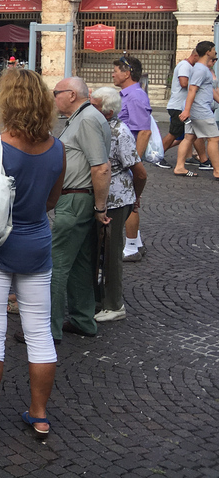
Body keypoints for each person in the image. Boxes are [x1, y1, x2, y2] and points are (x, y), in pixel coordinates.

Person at [0, 69, 65, 440]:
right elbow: (52, 199)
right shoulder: (57, 148)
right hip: (37, 242)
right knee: (39, 333)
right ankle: (39, 414)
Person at [50, 77, 111, 342]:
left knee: (56, 264)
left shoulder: (86, 119)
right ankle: (83, 320)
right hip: (80, 199)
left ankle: (47, 329)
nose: (54, 98)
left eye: (56, 93)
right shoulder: (84, 117)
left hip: (75, 200)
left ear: (72, 94)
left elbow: (101, 167)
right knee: (81, 264)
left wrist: (100, 207)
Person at [91, 87, 147, 322]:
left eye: (93, 105)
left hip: (117, 199)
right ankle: (98, 299)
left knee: (112, 253)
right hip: (105, 197)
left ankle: (114, 305)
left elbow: (140, 172)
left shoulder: (119, 132)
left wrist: (135, 197)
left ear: (107, 111)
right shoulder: (100, 127)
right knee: (98, 251)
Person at [112, 55, 151, 262]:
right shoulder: (130, 94)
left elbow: (144, 132)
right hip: (127, 157)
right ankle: (136, 242)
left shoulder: (135, 96)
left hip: (128, 158)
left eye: (117, 70)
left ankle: (131, 247)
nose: (113, 73)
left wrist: (134, 163)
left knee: (129, 200)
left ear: (127, 73)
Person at [174, 41, 219, 179]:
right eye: (214, 50)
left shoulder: (201, 69)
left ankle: (179, 167)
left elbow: (208, 90)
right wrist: (187, 110)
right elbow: (192, 89)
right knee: (214, 139)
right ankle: (217, 171)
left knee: (189, 138)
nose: (215, 53)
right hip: (200, 110)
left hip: (196, 110)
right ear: (208, 52)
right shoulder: (201, 69)